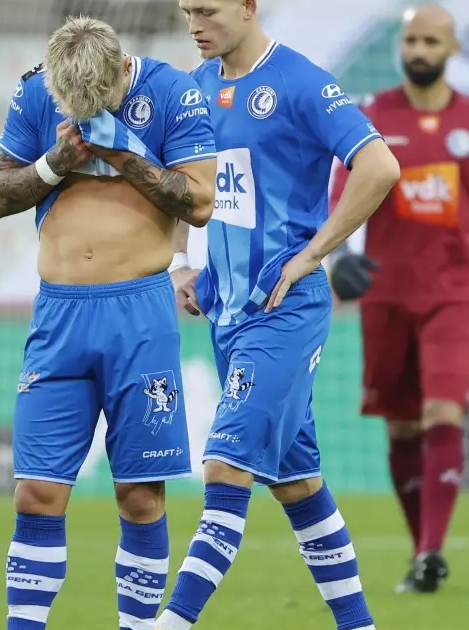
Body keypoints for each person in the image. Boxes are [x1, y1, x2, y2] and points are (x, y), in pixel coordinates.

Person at [152, 1, 401, 629]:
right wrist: (181, 260)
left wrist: (315, 253)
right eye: (186, 11)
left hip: (284, 309)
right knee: (297, 483)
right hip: (228, 315)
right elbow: (188, 180)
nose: (194, 24)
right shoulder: (196, 86)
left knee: (224, 469)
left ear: (247, 6)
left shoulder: (300, 82)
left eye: (206, 10)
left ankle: (170, 623)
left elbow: (380, 166)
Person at [0, 16, 217, 630]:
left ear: (119, 71)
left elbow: (199, 201)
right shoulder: (37, 91)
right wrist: (54, 164)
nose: (84, 110)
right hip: (58, 316)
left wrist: (122, 153)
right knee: (36, 491)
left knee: (139, 494)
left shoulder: (172, 92)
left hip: (139, 315)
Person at [326, 4, 469, 594]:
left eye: (430, 41)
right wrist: (338, 254)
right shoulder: (373, 116)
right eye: (411, 41)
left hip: (455, 296)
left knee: (443, 412)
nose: (419, 51)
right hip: (386, 295)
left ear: (452, 49)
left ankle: (431, 552)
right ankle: (420, 545)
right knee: (401, 428)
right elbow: (341, 190)